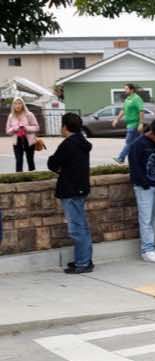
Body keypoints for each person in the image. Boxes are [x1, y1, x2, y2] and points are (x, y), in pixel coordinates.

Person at [47, 113, 93, 274]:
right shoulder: (82, 142)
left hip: (70, 190)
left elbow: (53, 163)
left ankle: (83, 263)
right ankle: (84, 259)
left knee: (76, 228)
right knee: (82, 226)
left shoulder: (68, 144)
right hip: (80, 188)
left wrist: (60, 168)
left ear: (65, 127)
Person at [129, 120, 155, 263]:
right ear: (152, 133)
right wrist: (145, 184)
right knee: (146, 218)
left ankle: (151, 246)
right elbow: (134, 166)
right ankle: (147, 250)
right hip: (144, 187)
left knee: (154, 217)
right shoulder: (138, 144)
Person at [112, 83, 145, 164]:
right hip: (129, 124)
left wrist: (141, 123)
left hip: (134, 124)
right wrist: (116, 119)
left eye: (126, 89)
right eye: (124, 89)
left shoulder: (137, 98)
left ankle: (121, 158)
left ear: (132, 90)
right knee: (137, 142)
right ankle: (140, 158)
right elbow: (123, 110)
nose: (125, 90)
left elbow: (141, 111)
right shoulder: (127, 99)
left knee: (129, 142)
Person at [5, 97, 39, 172]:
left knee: (30, 160)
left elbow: (36, 127)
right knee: (19, 161)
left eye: (19, 103)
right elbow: (8, 131)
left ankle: (33, 177)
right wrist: (14, 128)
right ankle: (18, 177)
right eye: (15, 104)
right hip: (17, 141)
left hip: (29, 141)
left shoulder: (29, 114)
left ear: (23, 104)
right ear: (13, 105)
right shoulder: (11, 116)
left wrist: (25, 127)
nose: (17, 105)